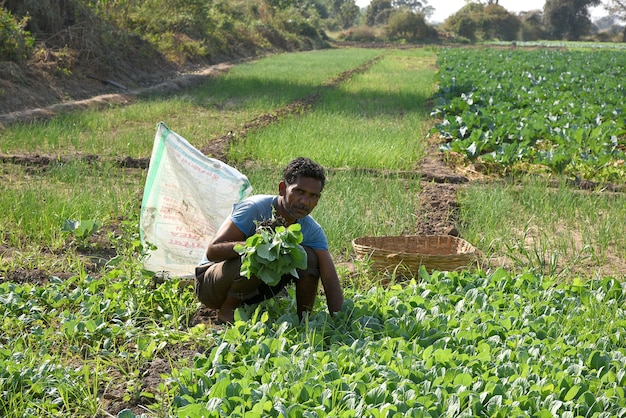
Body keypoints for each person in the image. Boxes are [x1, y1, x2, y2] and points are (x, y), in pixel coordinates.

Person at [195, 157, 344, 324]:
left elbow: (329, 278)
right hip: (211, 285)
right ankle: (227, 312)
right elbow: (213, 251)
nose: (304, 201)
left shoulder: (311, 229)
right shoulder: (254, 208)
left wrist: (340, 320)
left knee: (309, 257)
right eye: (299, 192)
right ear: (282, 189)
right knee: (260, 253)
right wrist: (256, 245)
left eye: (313, 196)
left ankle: (304, 319)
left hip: (254, 291)